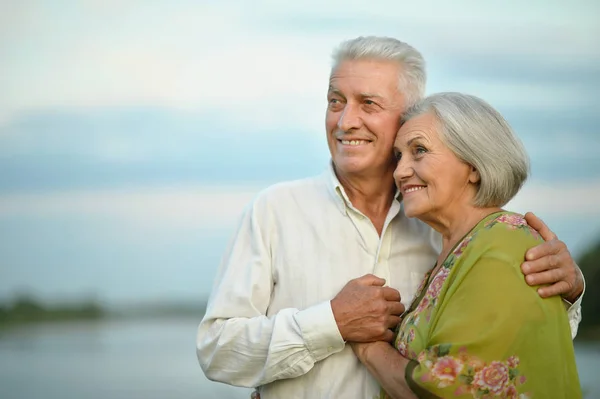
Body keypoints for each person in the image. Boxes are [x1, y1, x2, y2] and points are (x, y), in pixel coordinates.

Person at [196, 37, 584, 399]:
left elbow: (502, 360)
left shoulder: (450, 230)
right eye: (335, 101)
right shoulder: (275, 210)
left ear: (407, 116)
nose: (345, 121)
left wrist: (567, 294)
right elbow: (217, 352)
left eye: (368, 103)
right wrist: (330, 323)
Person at [350, 92, 581, 398]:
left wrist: (367, 345)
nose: (400, 171)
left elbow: (445, 389)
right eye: (398, 156)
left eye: (419, 150)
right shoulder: (461, 248)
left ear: (473, 164)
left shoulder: (502, 244)